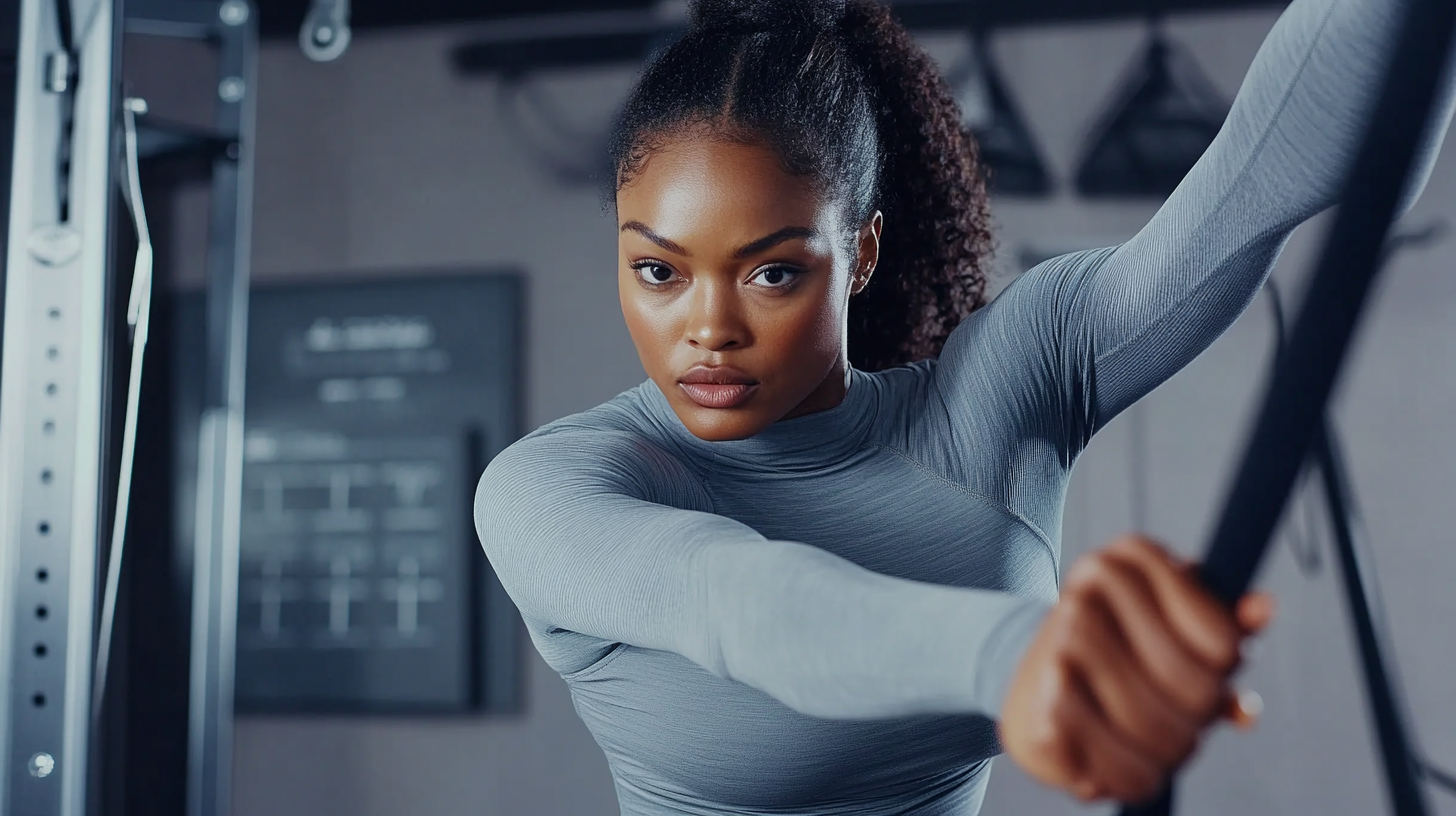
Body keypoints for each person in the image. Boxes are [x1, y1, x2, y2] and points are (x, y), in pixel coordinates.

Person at [474, 0, 1456, 812]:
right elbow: (738, 600)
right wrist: (1021, 655)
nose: (708, 326)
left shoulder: (1001, 396)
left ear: (858, 251)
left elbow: (1289, 166)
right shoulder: (551, 490)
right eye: (657, 270)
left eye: (771, 271)